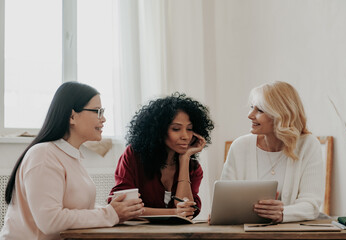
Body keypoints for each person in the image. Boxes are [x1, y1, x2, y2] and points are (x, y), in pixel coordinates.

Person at [0, 82, 144, 240]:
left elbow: (75, 210)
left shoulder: (71, 156)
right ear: (72, 116)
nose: (103, 119)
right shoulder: (43, 155)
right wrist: (110, 214)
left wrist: (115, 211)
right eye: (97, 111)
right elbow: (50, 221)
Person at [221, 81, 325, 223]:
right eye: (252, 107)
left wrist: (282, 213)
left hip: (293, 234)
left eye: (260, 110)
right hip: (245, 234)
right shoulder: (240, 146)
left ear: (281, 115)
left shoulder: (308, 145)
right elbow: (224, 201)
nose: (250, 115)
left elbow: (311, 205)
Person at [109, 93, 214, 219]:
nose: (185, 136)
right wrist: (174, 213)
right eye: (176, 129)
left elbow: (187, 210)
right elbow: (124, 207)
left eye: (190, 129)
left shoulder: (193, 168)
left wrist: (184, 159)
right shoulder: (133, 156)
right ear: (159, 130)